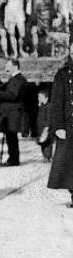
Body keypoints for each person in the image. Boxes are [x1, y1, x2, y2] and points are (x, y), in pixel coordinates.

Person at [47, 49, 73, 207]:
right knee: (70, 164)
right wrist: (58, 126)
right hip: (69, 125)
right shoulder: (63, 74)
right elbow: (56, 102)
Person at [0, 58, 27, 166]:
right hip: (10, 112)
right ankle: (12, 158)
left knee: (12, 136)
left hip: (13, 112)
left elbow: (13, 95)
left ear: (15, 66)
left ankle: (14, 159)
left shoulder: (18, 80)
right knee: (10, 136)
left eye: (8, 66)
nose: (6, 68)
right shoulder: (14, 79)